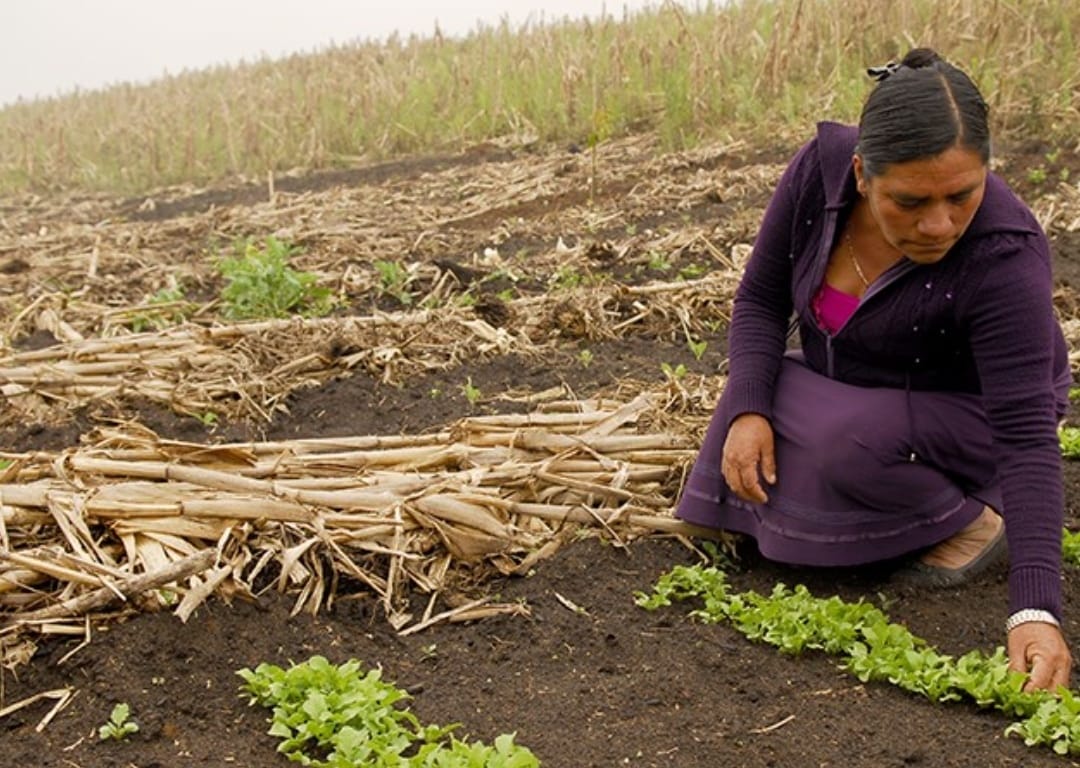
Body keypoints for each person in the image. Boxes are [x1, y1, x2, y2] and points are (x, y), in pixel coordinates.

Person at [676, 48, 1072, 692]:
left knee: (844, 444)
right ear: (862, 174)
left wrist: (1035, 608)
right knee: (750, 402)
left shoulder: (1004, 255)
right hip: (859, 382)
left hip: (970, 410)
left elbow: (1027, 436)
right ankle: (849, 483)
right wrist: (749, 410)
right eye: (910, 201)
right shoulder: (818, 176)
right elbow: (759, 300)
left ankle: (973, 520)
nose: (939, 222)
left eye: (962, 195)